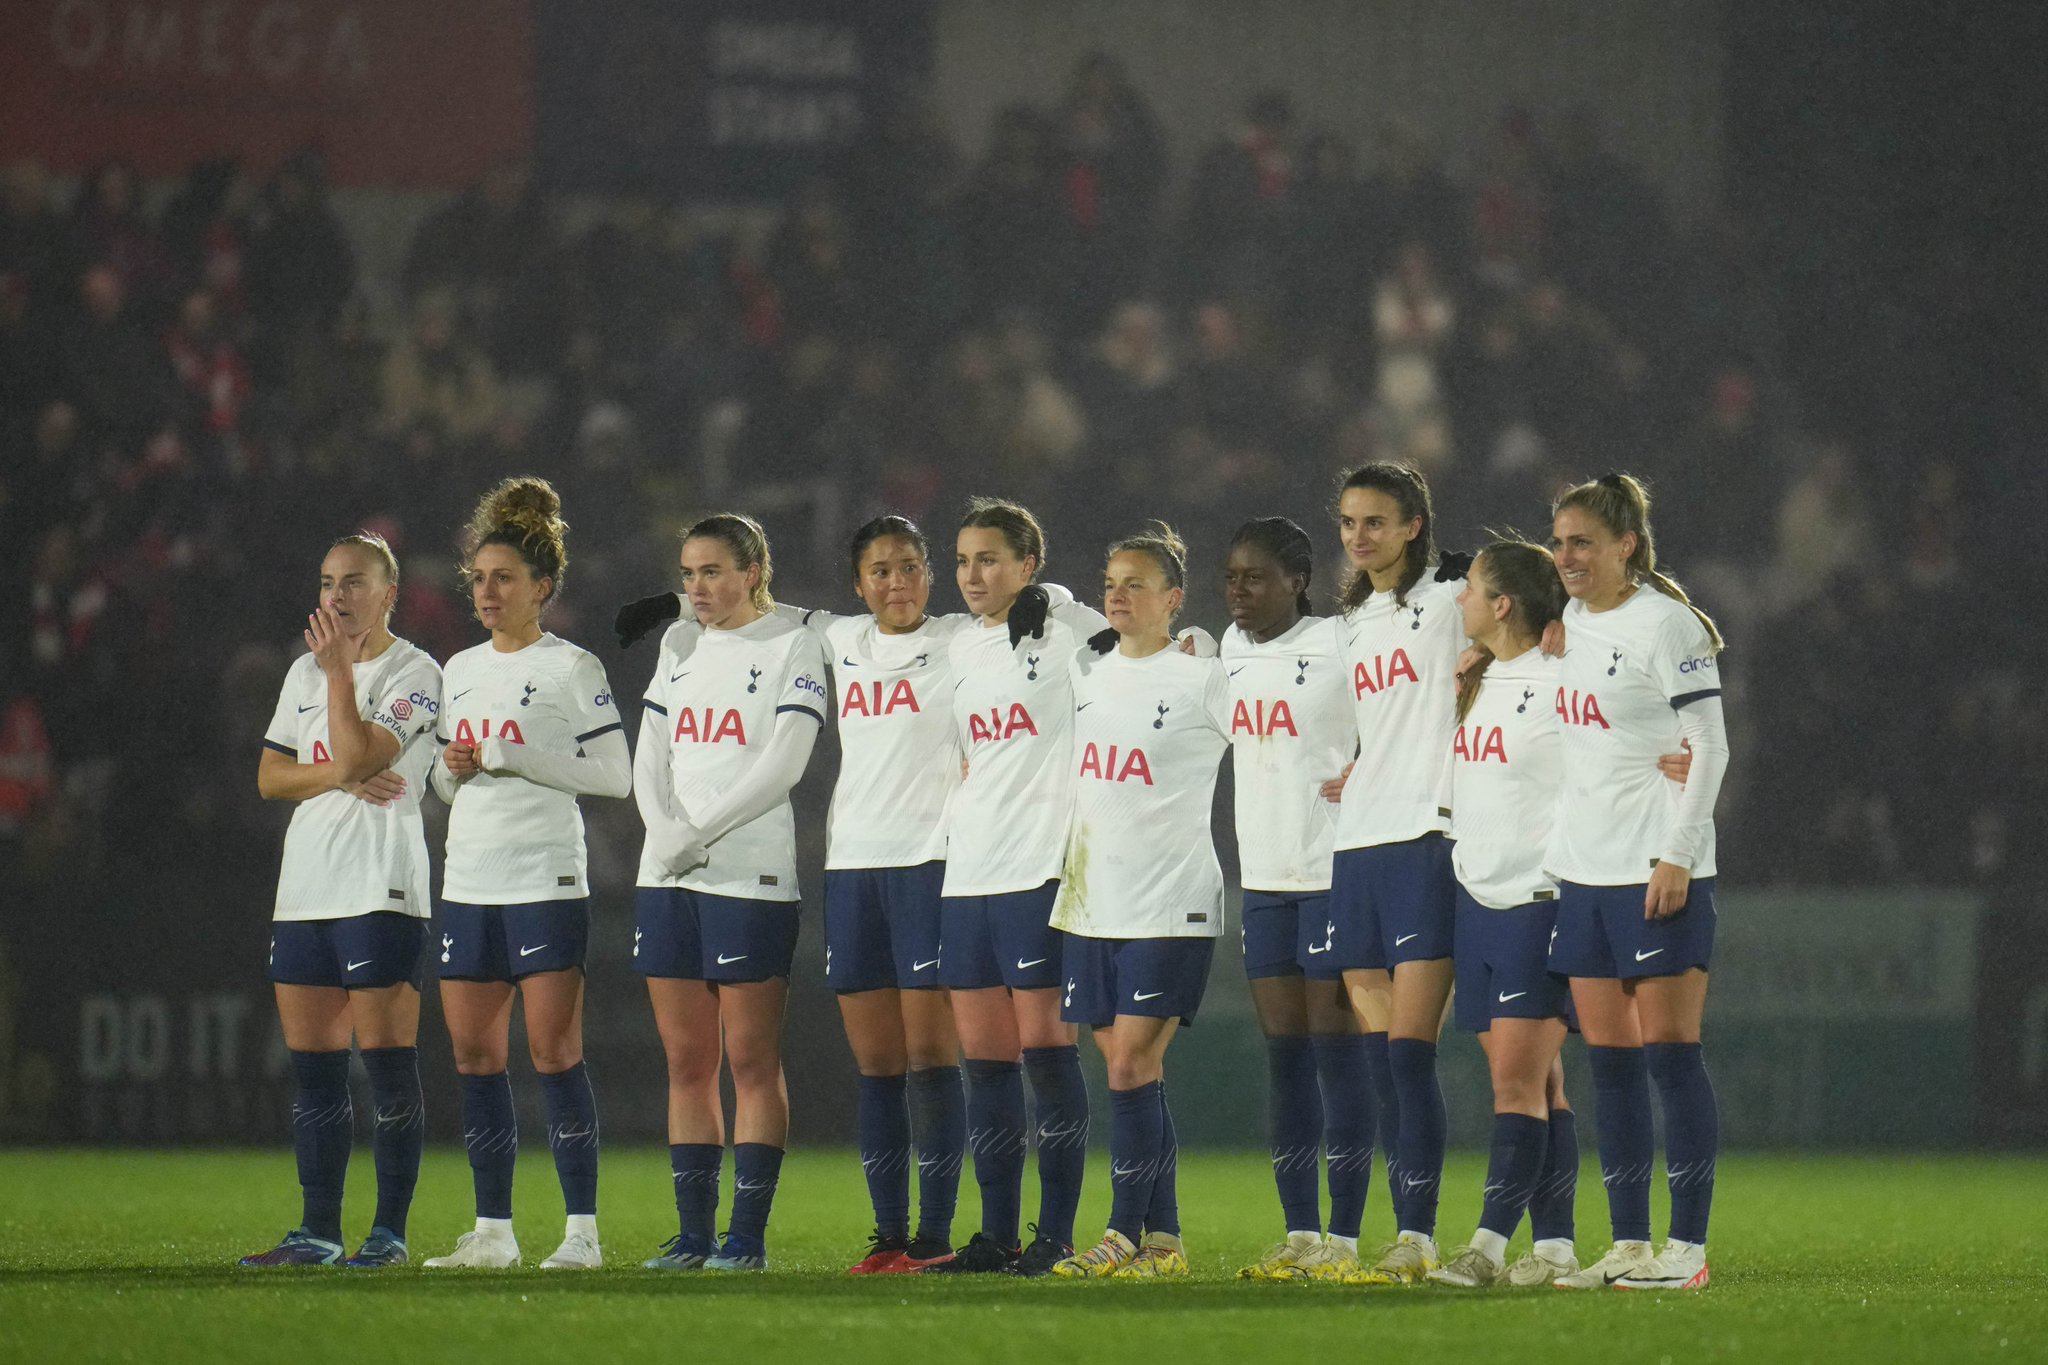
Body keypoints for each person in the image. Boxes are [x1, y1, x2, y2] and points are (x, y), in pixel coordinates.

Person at [424, 478, 631, 1270]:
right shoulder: (460, 668)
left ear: (541, 586)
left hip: (544, 880)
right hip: (469, 881)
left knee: (553, 1053)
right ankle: (494, 1234)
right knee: (476, 1059)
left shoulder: (571, 667)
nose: (485, 591)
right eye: (476, 578)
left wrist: (511, 755)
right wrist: (451, 769)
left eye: (502, 577)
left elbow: (615, 773)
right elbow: (444, 784)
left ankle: (582, 1233)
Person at [1545, 474, 1729, 1292]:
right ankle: (1626, 1246)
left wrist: (1679, 852)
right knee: (1611, 1067)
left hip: (1654, 868)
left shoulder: (1666, 623)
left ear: (1625, 544)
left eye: (1582, 541)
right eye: (1558, 541)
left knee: (1671, 1058)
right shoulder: (1568, 624)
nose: (1566, 555)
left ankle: (1686, 1249)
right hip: (1582, 872)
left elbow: (1710, 746)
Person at [632, 514, 828, 1273]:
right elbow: (652, 752)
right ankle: (692, 1234)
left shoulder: (792, 643)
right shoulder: (677, 643)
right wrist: (664, 832)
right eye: (688, 573)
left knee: (749, 1055)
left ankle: (745, 1237)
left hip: (749, 872)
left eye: (713, 570)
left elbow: (785, 763)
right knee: (686, 1059)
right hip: (668, 870)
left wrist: (699, 828)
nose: (697, 587)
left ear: (753, 571)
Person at [241, 533, 442, 1267]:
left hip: (380, 883)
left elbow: (363, 755)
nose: (337, 596)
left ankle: (388, 1232)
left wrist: (337, 686)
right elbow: (269, 777)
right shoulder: (301, 670)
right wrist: (336, 771)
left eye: (354, 582)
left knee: (389, 1067)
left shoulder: (416, 670)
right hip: (306, 886)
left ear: (389, 593)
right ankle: (318, 1230)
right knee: (317, 1072)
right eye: (328, 581)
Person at [1050, 524, 1230, 1279]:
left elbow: (1284, 728)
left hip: (1172, 900)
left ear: (1174, 599)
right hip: (1091, 898)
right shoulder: (1084, 673)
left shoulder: (1205, 679)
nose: (1117, 594)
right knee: (1129, 1068)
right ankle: (1165, 1240)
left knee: (1128, 1064)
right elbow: (1052, 602)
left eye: (1136, 583)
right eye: (1111, 581)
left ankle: (1121, 1230)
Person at [934, 498, 1108, 1276]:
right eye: (965, 559)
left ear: (1028, 564)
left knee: (1046, 1052)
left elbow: (1132, 638)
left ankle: (1055, 1235)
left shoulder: (1064, 627)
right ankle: (996, 1233)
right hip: (967, 869)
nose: (974, 574)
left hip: (1040, 867)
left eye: (992, 559)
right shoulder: (959, 648)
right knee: (986, 1063)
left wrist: (1062, 598)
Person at [795, 517, 970, 1274]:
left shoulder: (964, 636)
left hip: (932, 863)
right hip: (852, 867)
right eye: (879, 570)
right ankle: (888, 1234)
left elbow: (1053, 605)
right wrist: (671, 606)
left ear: (931, 573)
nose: (895, 582)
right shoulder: (838, 640)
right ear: (856, 583)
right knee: (876, 1062)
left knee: (933, 1053)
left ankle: (934, 1234)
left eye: (908, 566)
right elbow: (750, 607)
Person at [1423, 539, 1584, 1288]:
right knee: (1541, 1086)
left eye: (1473, 589)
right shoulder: (1480, 674)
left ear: (1505, 603)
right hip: (1478, 900)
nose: (1461, 600)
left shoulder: (1563, 674)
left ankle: (1486, 1247)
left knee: (1516, 1087)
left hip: (1538, 900)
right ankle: (1554, 1246)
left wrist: (1575, 620)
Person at [1215, 518, 1371, 1282]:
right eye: (1231, 578)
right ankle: (1301, 1231)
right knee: (1286, 1059)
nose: (1239, 591)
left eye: (1255, 577)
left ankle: (1343, 1237)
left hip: (1332, 873)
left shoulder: (1343, 644)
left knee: (1337, 1057)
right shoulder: (1226, 651)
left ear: (1298, 579)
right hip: (1266, 880)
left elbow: (1408, 720)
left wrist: (1370, 770)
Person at [1323, 462, 1467, 1285]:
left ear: (1415, 522)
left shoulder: (1457, 593)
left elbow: (1538, 607)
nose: (1358, 536)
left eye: (1375, 520)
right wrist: (1355, 765)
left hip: (1427, 836)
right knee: (1379, 1056)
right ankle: (1385, 1231)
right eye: (1347, 522)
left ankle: (1418, 1232)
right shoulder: (1354, 620)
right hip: (1358, 840)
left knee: (1411, 1051)